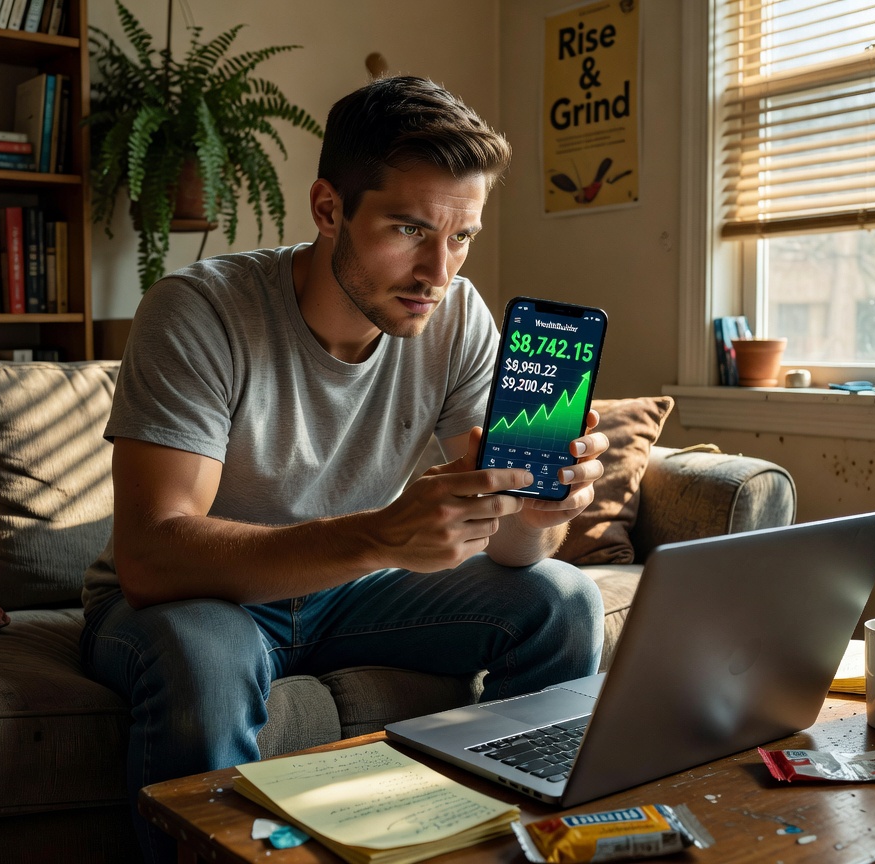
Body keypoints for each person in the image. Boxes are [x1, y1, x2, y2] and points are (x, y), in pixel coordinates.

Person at [80, 75, 609, 864]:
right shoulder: (199, 309)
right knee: (207, 656)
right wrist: (379, 536)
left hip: (351, 594)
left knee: (562, 598)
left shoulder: (456, 317)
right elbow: (153, 558)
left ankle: (505, 848)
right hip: (203, 601)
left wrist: (533, 519)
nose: (439, 269)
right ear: (329, 209)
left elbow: (505, 553)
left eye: (462, 236)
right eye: (408, 228)